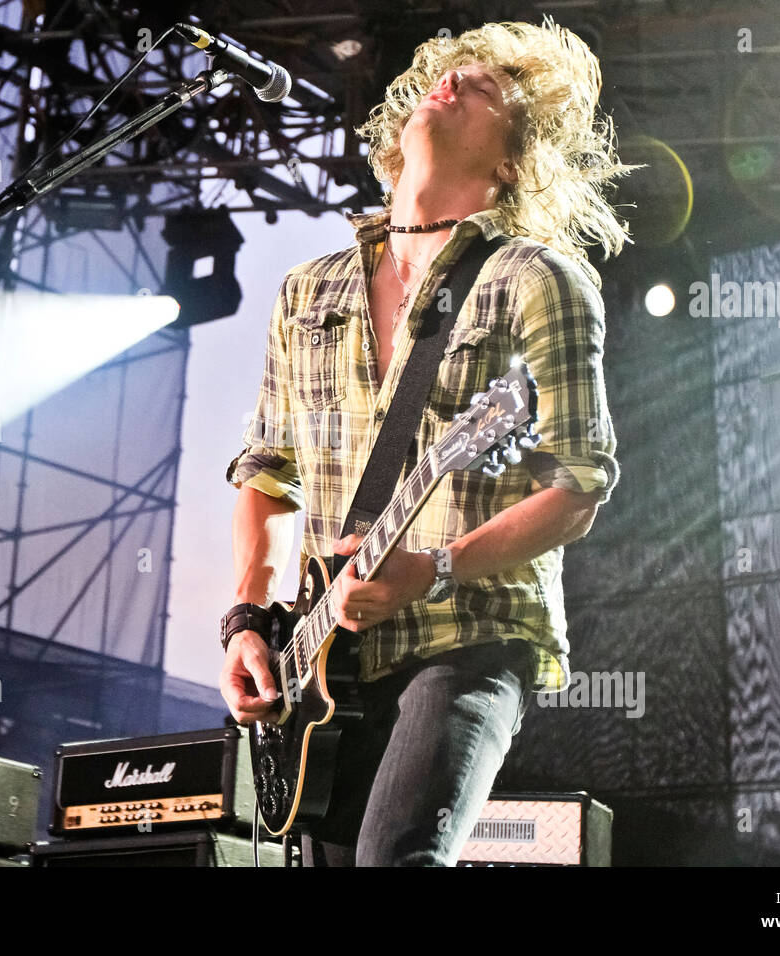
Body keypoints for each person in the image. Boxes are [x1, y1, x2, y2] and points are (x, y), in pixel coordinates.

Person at [219, 19, 628, 866]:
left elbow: (580, 483)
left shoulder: (537, 280)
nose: (450, 85)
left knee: (397, 857)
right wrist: (249, 623)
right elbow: (266, 471)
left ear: (512, 161)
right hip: (326, 658)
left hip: (470, 633)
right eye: (447, 77)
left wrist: (433, 568)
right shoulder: (308, 290)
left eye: (482, 90)